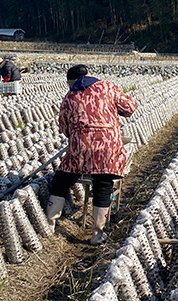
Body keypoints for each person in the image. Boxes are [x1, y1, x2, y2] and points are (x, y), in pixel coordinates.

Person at [46, 65, 138, 244]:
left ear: (71, 82)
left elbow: (64, 127)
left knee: (61, 181)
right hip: (108, 149)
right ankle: (98, 232)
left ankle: (50, 223)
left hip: (80, 149)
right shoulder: (108, 88)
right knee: (103, 185)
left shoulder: (69, 96)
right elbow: (130, 108)